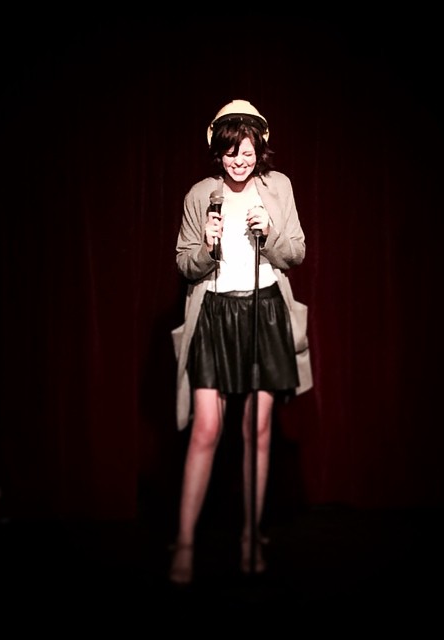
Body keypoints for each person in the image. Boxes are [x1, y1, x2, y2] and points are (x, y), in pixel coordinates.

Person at [169, 99, 312, 585]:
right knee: (207, 428)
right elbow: (184, 262)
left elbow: (296, 252)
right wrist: (206, 248)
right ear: (218, 151)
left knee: (259, 429)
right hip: (213, 312)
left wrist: (268, 234)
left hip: (264, 309)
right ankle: (185, 542)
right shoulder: (199, 194)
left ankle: (251, 537)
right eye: (231, 152)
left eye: (247, 152)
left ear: (260, 149)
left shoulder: (278, 187)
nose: (239, 161)